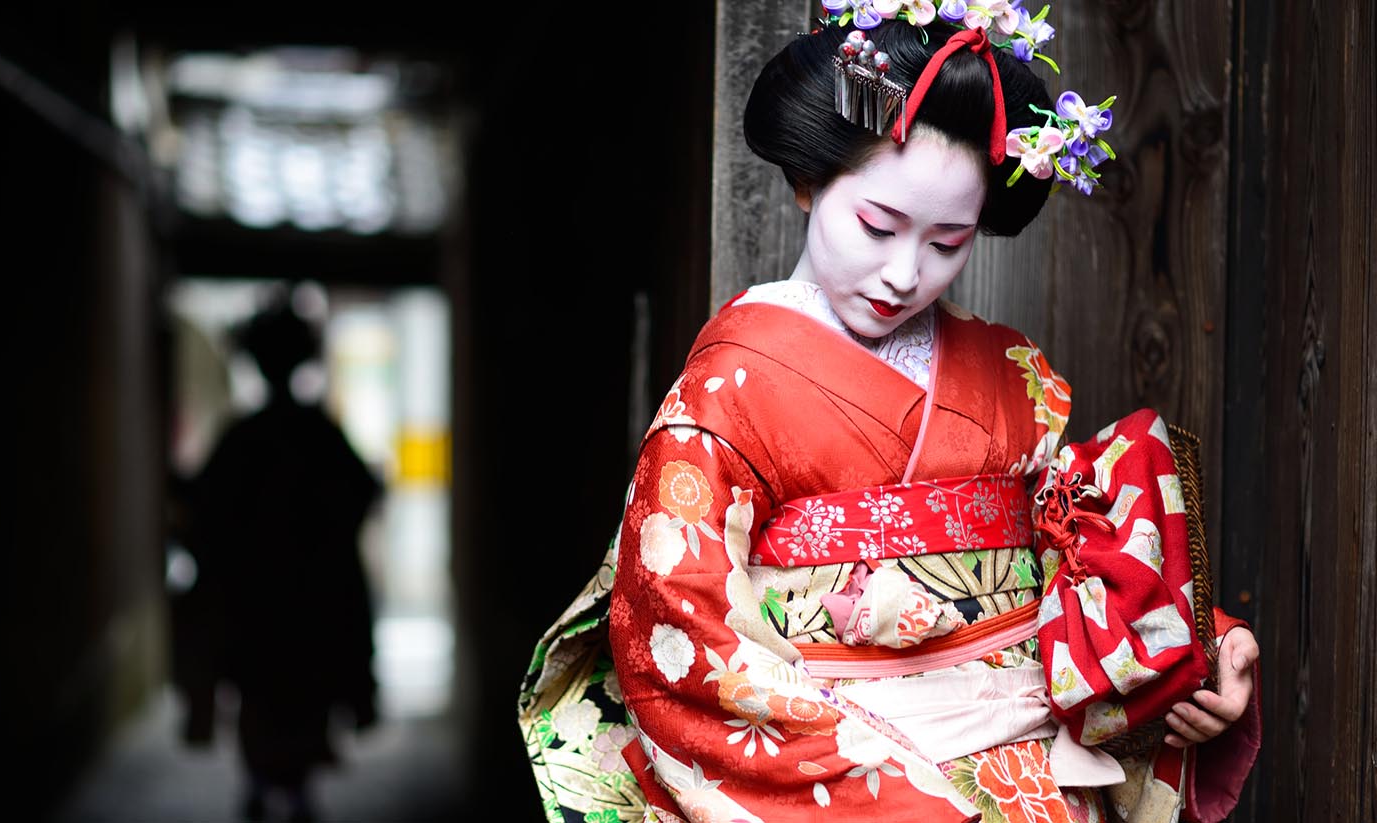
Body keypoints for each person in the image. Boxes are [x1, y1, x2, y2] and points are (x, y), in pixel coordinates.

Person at [518, 7, 1259, 823]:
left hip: (1034, 783)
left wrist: (1196, 644)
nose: (905, 272)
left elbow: (1083, 555)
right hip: (846, 781)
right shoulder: (731, 387)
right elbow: (679, 623)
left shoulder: (1010, 374)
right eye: (877, 224)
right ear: (808, 180)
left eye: (949, 241)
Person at [174, 289, 382, 823]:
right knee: (303, 687)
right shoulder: (317, 434)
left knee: (260, 692)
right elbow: (361, 494)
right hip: (309, 600)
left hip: (253, 603)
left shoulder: (244, 437)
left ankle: (267, 775)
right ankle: (294, 773)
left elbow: (204, 512)